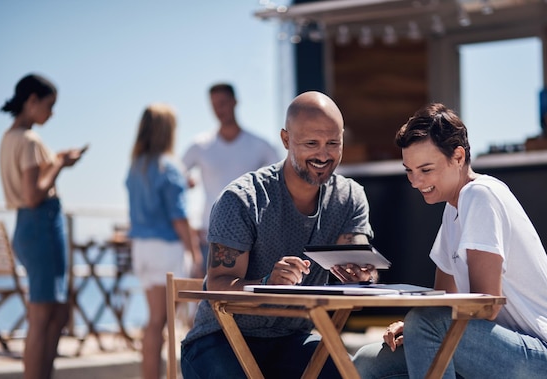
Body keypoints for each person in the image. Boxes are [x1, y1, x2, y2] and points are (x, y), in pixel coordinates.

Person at [352, 103, 547, 379]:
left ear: (458, 156)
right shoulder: (453, 209)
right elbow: (443, 300)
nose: (415, 182)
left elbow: (484, 305)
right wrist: (413, 328)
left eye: (426, 170)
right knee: (366, 362)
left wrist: (421, 326)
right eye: (409, 171)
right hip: (497, 348)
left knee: (423, 324)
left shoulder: (480, 195)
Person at [180, 91, 377, 379]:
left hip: (291, 340)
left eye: (333, 143)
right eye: (311, 143)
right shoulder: (242, 199)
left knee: (348, 373)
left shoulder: (349, 198)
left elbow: (358, 254)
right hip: (219, 339)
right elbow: (218, 285)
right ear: (286, 140)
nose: (323, 155)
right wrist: (266, 283)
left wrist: (362, 271)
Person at [0, 73, 87, 378]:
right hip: (40, 225)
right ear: (31, 101)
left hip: (27, 227)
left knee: (56, 312)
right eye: (49, 105)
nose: (51, 113)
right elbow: (34, 194)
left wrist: (57, 161)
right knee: (42, 315)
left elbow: (29, 186)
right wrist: (60, 164)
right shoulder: (29, 139)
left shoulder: (10, 137)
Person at [125, 103, 203, 379]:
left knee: (155, 320)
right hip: (165, 249)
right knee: (162, 321)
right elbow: (178, 217)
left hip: (141, 249)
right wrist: (195, 253)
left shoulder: (137, 166)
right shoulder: (169, 166)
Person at [182, 83, 279, 275]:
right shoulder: (200, 145)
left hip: (250, 235)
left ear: (235, 102)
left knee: (243, 297)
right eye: (214, 105)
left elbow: (281, 180)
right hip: (209, 235)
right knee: (207, 299)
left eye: (223, 103)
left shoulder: (259, 145)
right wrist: (187, 182)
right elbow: (174, 178)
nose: (219, 109)